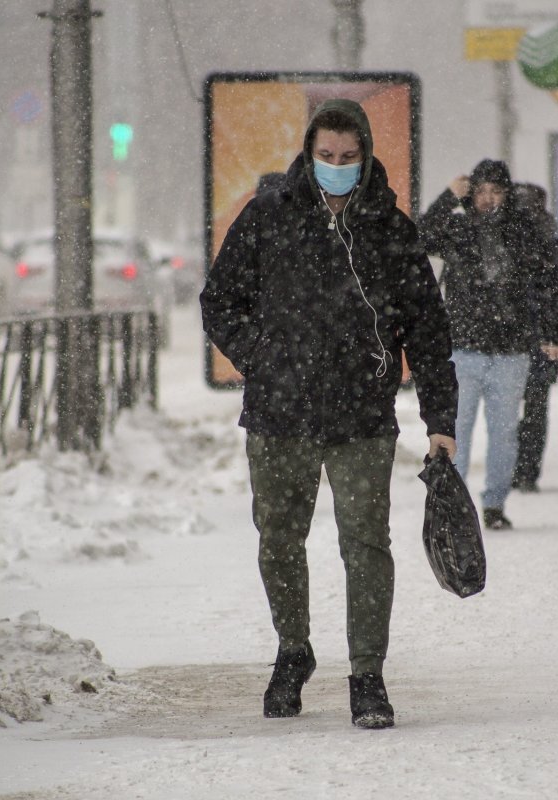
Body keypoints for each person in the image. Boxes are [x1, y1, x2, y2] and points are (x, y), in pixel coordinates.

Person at [200, 99, 458, 729]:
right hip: (278, 413)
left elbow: (428, 331)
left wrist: (441, 422)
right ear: (309, 154)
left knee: (366, 546)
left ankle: (367, 675)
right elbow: (219, 299)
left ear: (366, 156)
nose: (337, 167)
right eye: (327, 157)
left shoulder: (391, 230)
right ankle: (293, 651)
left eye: (349, 158)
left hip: (362, 415)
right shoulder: (268, 216)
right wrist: (261, 356)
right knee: (279, 541)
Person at [419, 159, 558, 530]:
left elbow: (546, 284)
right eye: (480, 190)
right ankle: (457, 503)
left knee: (504, 434)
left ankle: (494, 504)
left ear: (507, 194)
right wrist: (446, 197)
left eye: (495, 190)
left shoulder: (524, 231)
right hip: (463, 348)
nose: (487, 198)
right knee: (456, 432)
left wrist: (552, 331)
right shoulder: (457, 226)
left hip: (510, 351)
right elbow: (418, 235)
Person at [511, 183, 558, 493]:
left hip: (522, 338)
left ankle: (517, 468)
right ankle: (525, 471)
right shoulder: (554, 245)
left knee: (516, 409)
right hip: (538, 339)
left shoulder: (511, 241)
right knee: (534, 409)